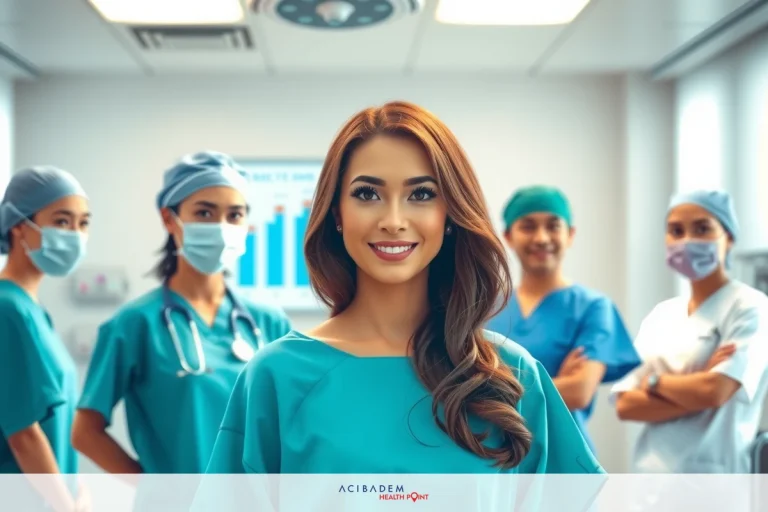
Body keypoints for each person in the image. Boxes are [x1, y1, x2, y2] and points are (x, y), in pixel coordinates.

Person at [203, 102, 603, 474]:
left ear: (450, 215)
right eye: (367, 194)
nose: (393, 220)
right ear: (336, 213)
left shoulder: (511, 375)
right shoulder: (277, 376)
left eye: (421, 194)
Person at [71, 151, 292, 477]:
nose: (221, 227)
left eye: (235, 215)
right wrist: (150, 487)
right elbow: (85, 432)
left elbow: (292, 423)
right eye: (204, 213)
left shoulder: (269, 323)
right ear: (168, 218)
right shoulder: (134, 325)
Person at [611, 190, 768, 473]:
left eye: (702, 228)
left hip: (716, 478)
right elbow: (625, 405)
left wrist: (654, 383)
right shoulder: (662, 314)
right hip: (650, 479)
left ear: (729, 237)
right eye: (676, 231)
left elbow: (716, 391)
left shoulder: (751, 306)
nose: (687, 240)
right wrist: (697, 388)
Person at [486, 185, 641, 454]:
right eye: (528, 226)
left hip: (563, 458)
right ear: (508, 237)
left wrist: (491, 388)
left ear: (570, 235)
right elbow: (458, 387)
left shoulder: (593, 308)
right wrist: (555, 383)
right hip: (493, 455)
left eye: (553, 226)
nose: (542, 238)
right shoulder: (485, 309)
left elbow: (580, 391)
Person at [0, 167, 90, 510]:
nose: (76, 234)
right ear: (19, 227)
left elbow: (55, 420)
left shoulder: (33, 309)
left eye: (83, 223)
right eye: (62, 222)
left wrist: (77, 488)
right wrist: (64, 505)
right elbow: (23, 433)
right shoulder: (7, 309)